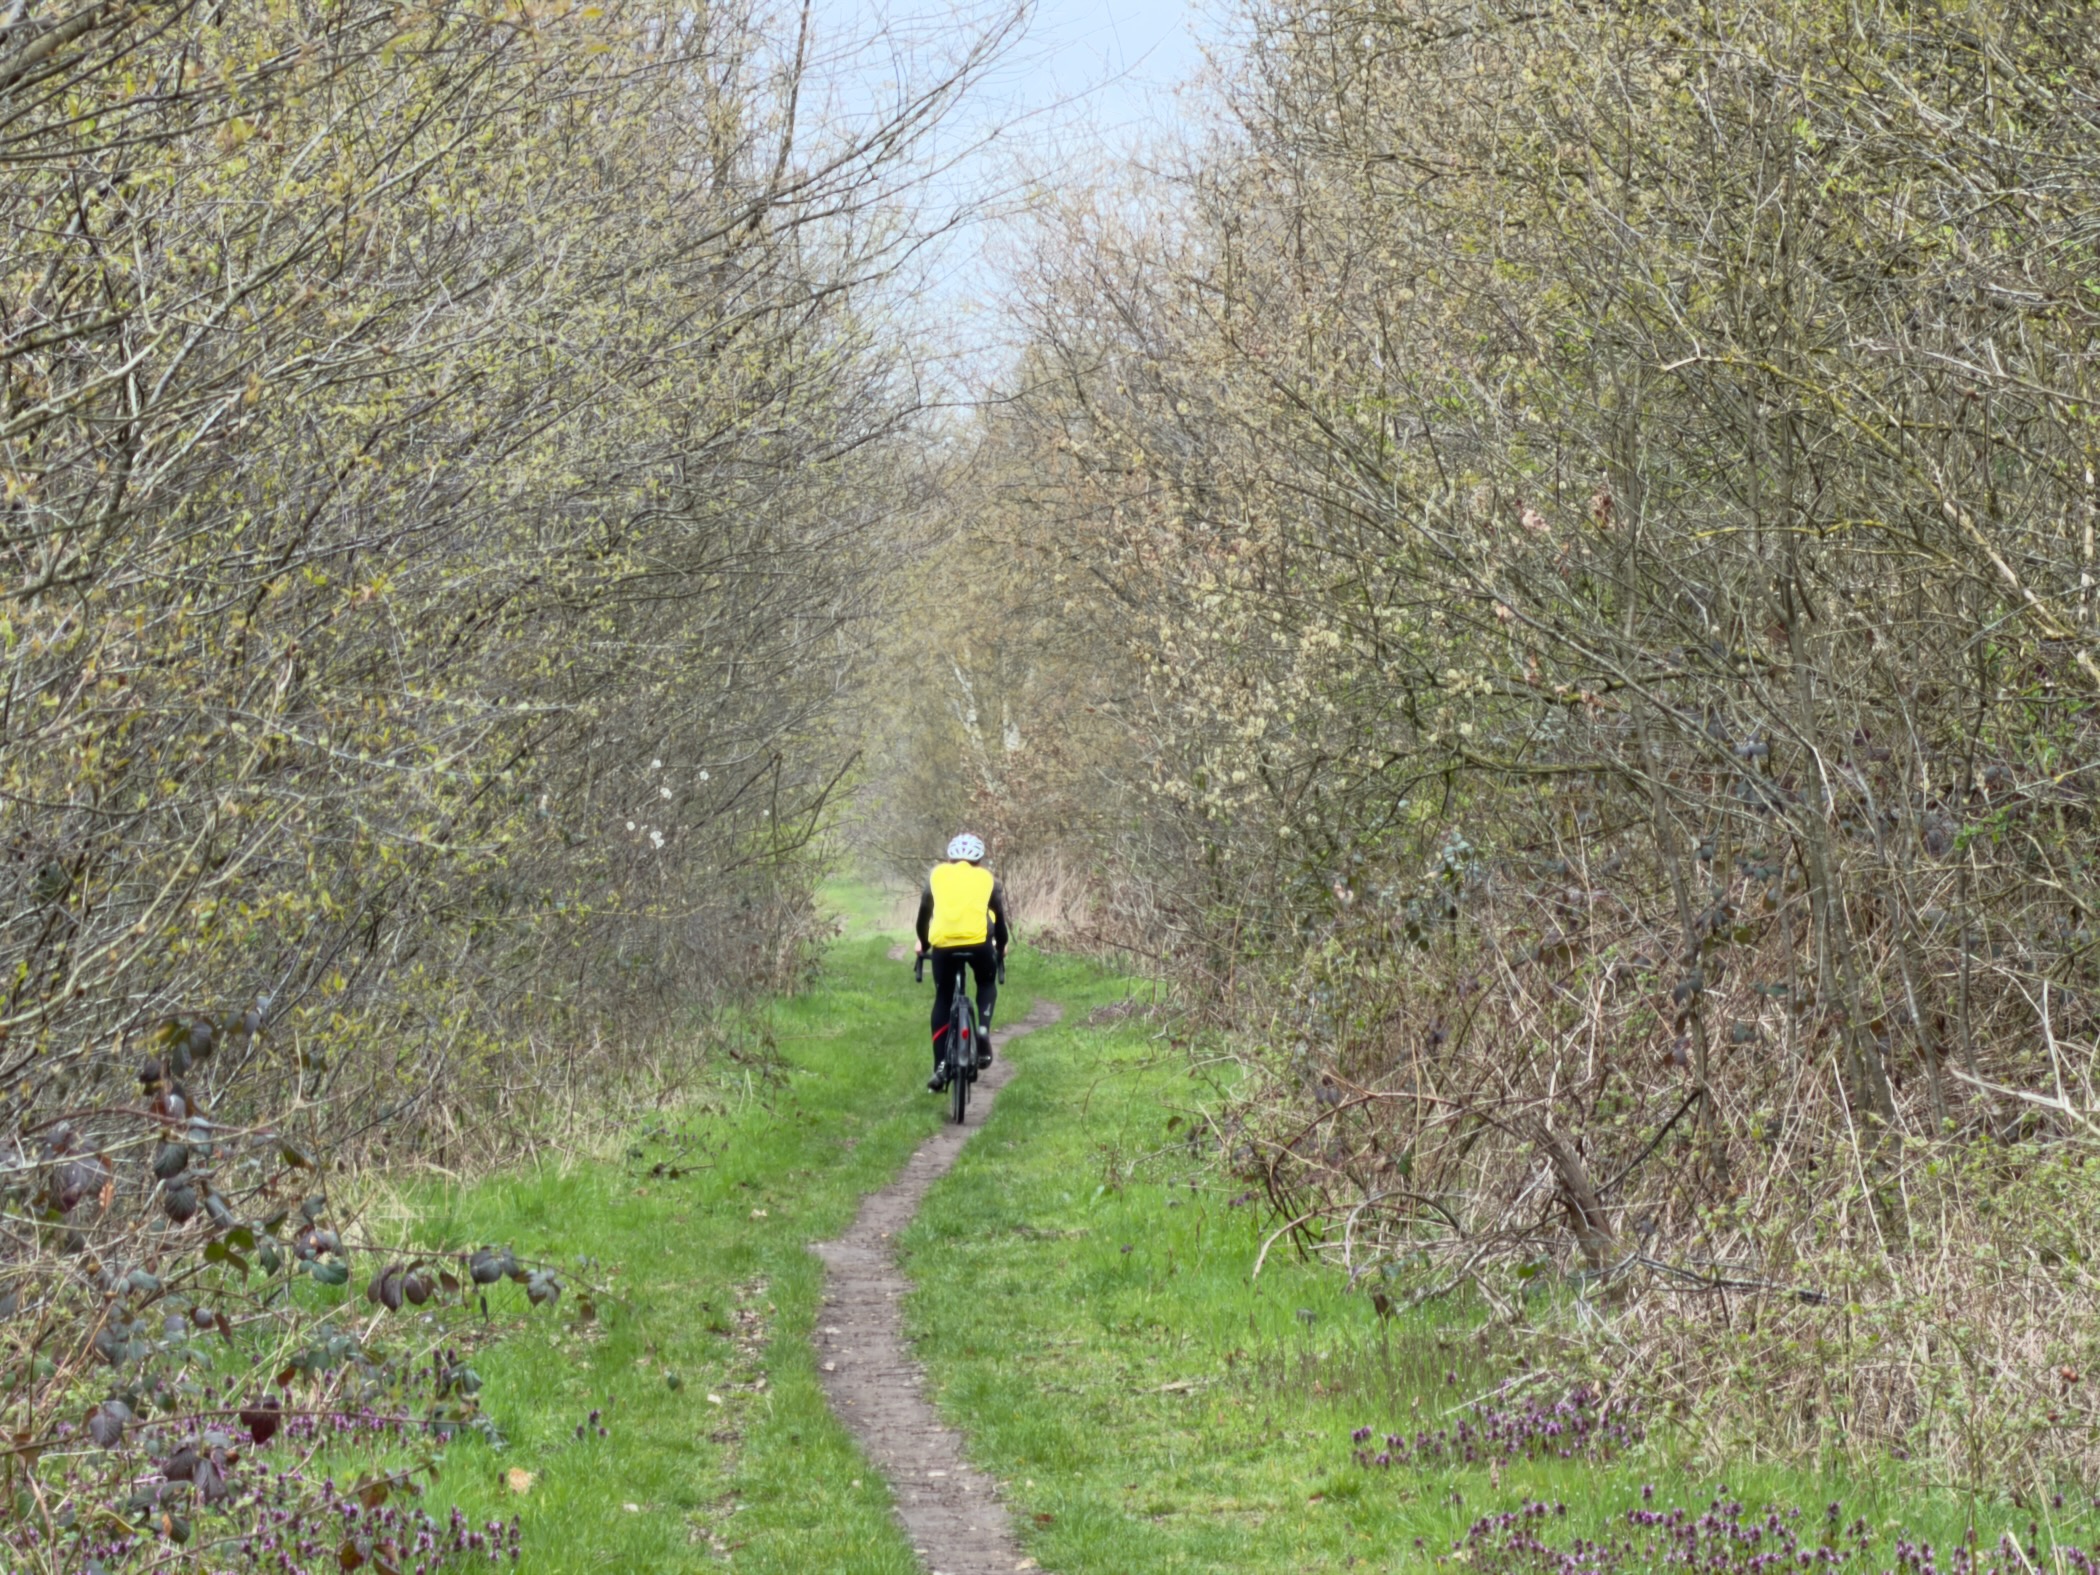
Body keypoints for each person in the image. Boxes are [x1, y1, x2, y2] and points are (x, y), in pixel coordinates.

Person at [915, 832, 1009, 1092]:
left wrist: (923, 944)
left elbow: (923, 915)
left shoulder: (937, 875)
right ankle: (981, 1030)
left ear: (949, 858)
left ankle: (941, 1067)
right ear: (979, 860)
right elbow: (999, 920)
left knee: (944, 997)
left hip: (944, 946)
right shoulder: (987, 879)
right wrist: (1000, 948)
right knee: (986, 982)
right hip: (980, 944)